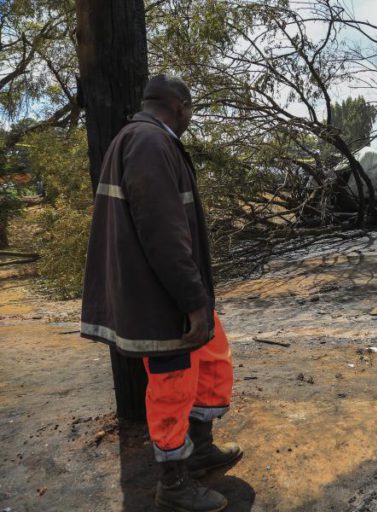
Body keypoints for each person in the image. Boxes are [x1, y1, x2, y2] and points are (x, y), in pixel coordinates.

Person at [81, 75, 242, 512]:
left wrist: (200, 301)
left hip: (172, 293)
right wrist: (193, 302)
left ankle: (200, 448)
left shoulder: (147, 140)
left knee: (212, 360)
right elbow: (163, 235)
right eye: (190, 110)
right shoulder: (149, 143)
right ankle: (173, 483)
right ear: (179, 105)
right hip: (162, 301)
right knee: (171, 387)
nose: (191, 117)